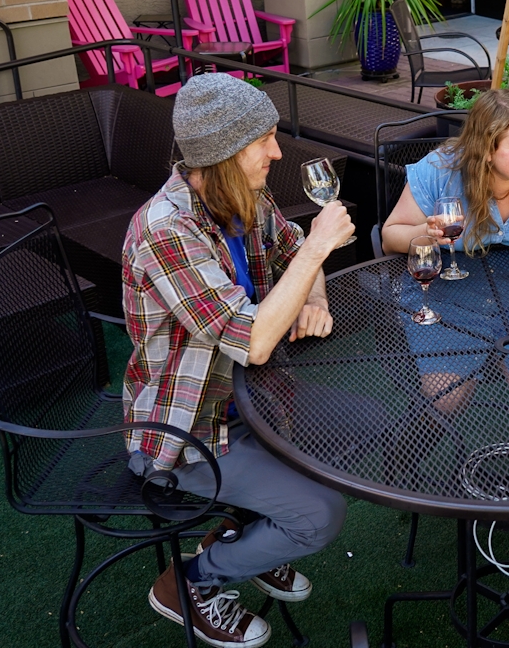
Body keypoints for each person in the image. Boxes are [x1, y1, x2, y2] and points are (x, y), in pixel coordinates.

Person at [123, 73, 357, 647]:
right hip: (190, 432)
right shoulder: (165, 231)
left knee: (368, 434)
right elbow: (250, 338)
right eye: (266, 141)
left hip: (258, 399)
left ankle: (247, 540)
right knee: (322, 515)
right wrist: (322, 247)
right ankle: (190, 582)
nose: (277, 153)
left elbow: (295, 250)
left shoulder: (242, 196)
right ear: (227, 154)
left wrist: (317, 295)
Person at [381, 88, 509, 411]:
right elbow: (390, 236)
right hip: (445, 294)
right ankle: (406, 454)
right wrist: (428, 232)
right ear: (487, 150)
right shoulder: (440, 169)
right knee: (444, 397)